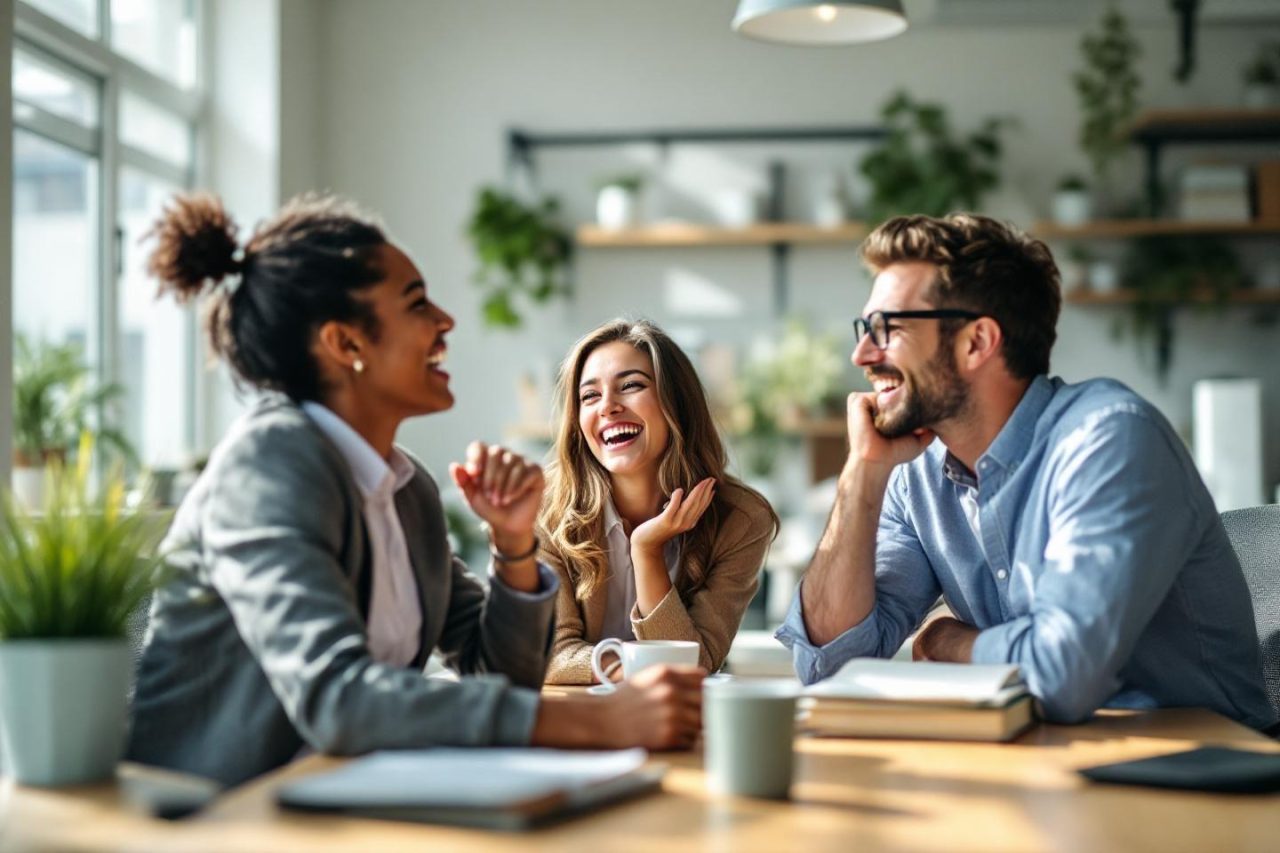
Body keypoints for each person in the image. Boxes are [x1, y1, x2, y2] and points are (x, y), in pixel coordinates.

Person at [126, 194, 704, 788]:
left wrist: (513, 548)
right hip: (214, 813)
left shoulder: (404, 489)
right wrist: (598, 723)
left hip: (348, 796)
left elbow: (496, 677)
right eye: (417, 303)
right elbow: (339, 699)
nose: (444, 322)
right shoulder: (266, 467)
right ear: (346, 344)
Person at [776, 213, 1276, 730]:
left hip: (1204, 773)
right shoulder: (915, 474)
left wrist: (952, 641)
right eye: (865, 329)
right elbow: (827, 666)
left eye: (889, 328)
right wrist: (862, 471)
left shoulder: (1107, 440)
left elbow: (1063, 675)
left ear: (976, 342)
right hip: (1052, 766)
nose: (862, 354)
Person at [538, 319, 778, 684]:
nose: (607, 407)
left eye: (631, 385)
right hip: (574, 721)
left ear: (676, 403)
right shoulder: (542, 510)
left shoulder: (742, 519)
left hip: (680, 722)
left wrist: (646, 550)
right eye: (589, 396)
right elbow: (550, 654)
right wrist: (641, 670)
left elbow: (699, 662)